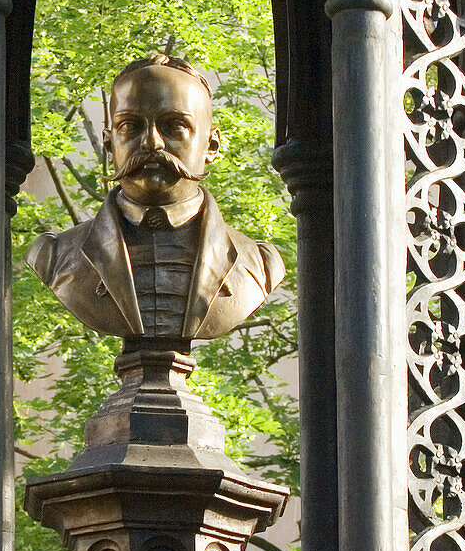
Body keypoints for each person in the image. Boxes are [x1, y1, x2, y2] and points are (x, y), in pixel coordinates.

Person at [27, 54, 284, 342]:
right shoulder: (55, 257)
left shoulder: (259, 265)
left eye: (174, 126)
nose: (152, 142)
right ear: (109, 144)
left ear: (211, 145)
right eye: (130, 126)